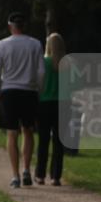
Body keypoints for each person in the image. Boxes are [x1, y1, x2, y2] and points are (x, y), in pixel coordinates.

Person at [0, 12, 45, 189]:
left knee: (12, 133)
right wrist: (39, 90)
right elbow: (41, 72)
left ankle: (15, 176)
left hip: (9, 92)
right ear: (24, 26)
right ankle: (27, 170)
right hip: (29, 92)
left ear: (9, 26)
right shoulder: (35, 44)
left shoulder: (2, 44)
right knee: (28, 131)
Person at [35, 33, 66, 186]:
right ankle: (56, 176)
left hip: (44, 104)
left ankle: (40, 175)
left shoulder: (43, 62)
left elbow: (37, 82)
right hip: (62, 104)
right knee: (59, 142)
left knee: (43, 140)